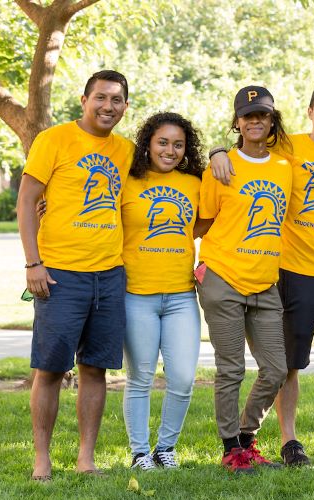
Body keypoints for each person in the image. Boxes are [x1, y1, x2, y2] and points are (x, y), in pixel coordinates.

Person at [210, 79, 314, 468]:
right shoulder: (288, 147)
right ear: (310, 111)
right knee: (289, 364)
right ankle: (289, 441)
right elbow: (248, 148)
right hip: (294, 270)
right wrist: (216, 150)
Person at [16, 70, 133, 480]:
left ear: (125, 107)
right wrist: (33, 263)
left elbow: (170, 161)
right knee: (50, 368)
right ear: (84, 101)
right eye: (100, 97)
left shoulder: (126, 150)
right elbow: (27, 200)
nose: (108, 106)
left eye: (116, 100)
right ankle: (42, 460)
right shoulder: (53, 140)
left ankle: (86, 459)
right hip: (60, 275)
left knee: (95, 369)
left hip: (109, 274)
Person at [196, 85, 293, 474]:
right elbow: (202, 221)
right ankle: (230, 449)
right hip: (223, 277)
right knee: (231, 368)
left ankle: (246, 437)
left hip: (265, 282)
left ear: (272, 121)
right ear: (237, 122)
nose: (255, 121)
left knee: (276, 369)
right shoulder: (221, 168)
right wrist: (216, 152)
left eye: (262, 115)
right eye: (247, 115)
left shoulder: (285, 167)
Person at [120, 112, 205, 470]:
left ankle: (165, 448)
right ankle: (140, 453)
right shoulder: (127, 181)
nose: (170, 150)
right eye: (163, 142)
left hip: (181, 295)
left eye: (178, 145)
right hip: (136, 295)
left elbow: (209, 222)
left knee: (183, 378)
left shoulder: (195, 183)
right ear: (148, 144)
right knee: (140, 377)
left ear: (186, 149)